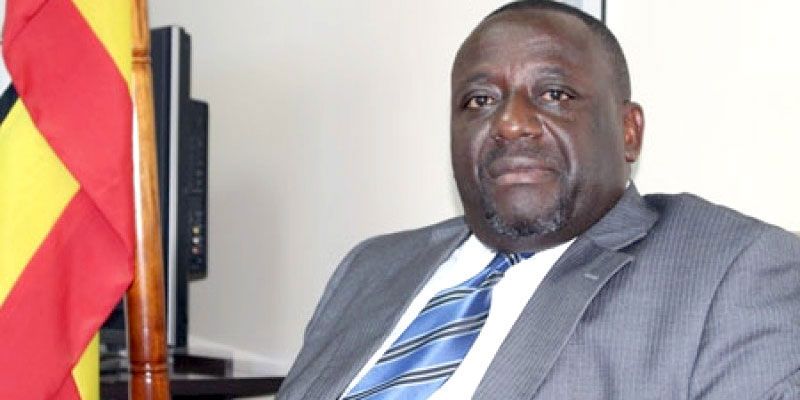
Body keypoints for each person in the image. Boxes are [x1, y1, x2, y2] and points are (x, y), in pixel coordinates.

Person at [277, 1, 800, 399]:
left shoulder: (736, 271)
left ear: (628, 131)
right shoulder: (371, 267)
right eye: (480, 100)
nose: (510, 123)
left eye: (555, 94)